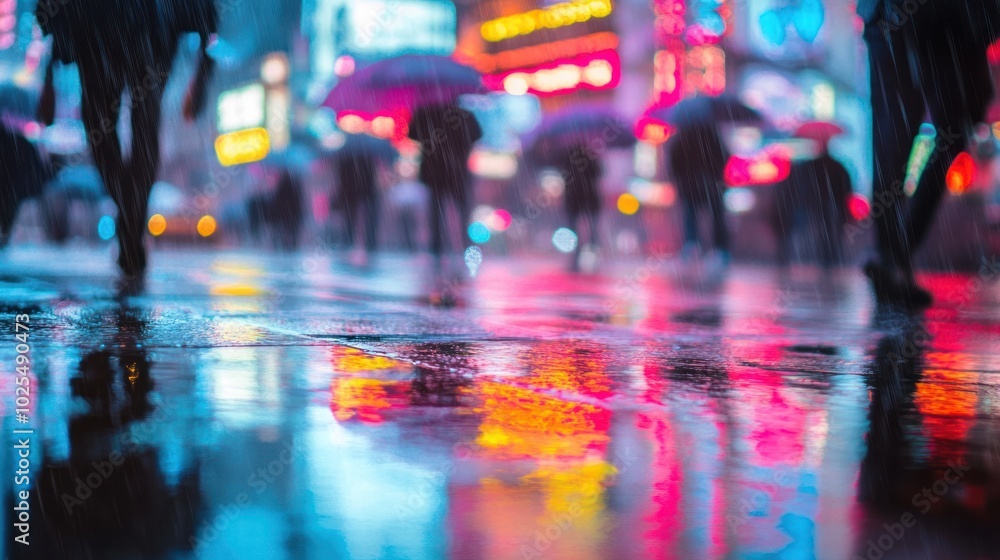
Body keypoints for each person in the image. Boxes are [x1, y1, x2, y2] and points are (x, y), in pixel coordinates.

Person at [35, 0, 218, 290]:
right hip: (126, 32)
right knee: (121, 130)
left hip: (115, 33)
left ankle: (129, 220)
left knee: (115, 130)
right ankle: (131, 220)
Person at [859, 0, 995, 306]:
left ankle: (895, 254)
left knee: (902, 129)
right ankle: (893, 254)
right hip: (920, 17)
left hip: (948, 21)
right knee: (897, 130)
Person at [408, 102, 482, 256]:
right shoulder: (464, 114)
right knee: (462, 207)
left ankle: (437, 246)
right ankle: (464, 243)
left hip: (434, 170)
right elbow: (477, 135)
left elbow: (412, 134)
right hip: (457, 169)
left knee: (436, 209)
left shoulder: (425, 113)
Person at [772, 139, 853, 268]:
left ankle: (825, 258)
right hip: (831, 205)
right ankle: (830, 258)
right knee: (831, 234)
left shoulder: (812, 166)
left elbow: (802, 184)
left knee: (822, 232)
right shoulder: (837, 166)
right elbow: (846, 187)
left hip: (816, 204)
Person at [667, 121, 730, 263]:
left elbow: (674, 161)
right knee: (715, 215)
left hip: (691, 185)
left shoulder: (683, 137)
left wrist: (681, 179)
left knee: (691, 214)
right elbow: (725, 156)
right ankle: (719, 249)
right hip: (711, 184)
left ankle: (692, 245)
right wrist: (716, 174)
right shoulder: (713, 135)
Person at [555, 144, 603, 268]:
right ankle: (592, 258)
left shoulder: (567, 157)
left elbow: (563, 175)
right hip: (589, 198)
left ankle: (576, 258)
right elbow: (599, 174)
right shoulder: (591, 156)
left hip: (574, 199)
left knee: (574, 230)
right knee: (592, 231)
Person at [334, 150, 381, 253]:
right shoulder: (368, 159)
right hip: (360, 194)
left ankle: (350, 243)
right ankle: (364, 244)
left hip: (353, 194)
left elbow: (340, 179)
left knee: (351, 220)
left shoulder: (346, 158)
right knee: (362, 220)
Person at [272, 168, 304, 251]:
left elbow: (277, 202)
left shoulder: (281, 187)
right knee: (292, 231)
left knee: (284, 231)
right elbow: (298, 201)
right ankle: (292, 245)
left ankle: (284, 245)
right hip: (293, 214)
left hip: (284, 214)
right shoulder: (295, 186)